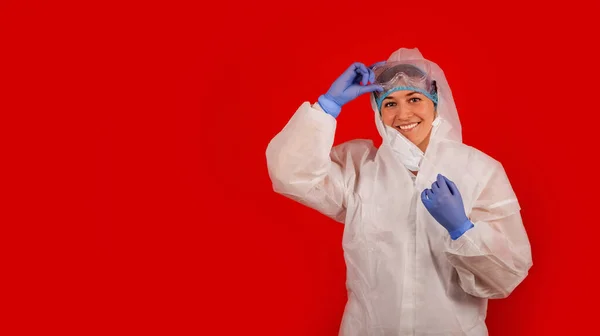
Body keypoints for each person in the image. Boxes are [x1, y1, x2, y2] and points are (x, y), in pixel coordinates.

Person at [265, 48, 532, 336]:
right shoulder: (360, 168)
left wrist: (463, 231)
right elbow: (291, 174)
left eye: (414, 99)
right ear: (378, 110)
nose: (403, 114)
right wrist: (326, 107)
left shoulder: (479, 172)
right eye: (389, 103)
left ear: (435, 103)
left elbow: (507, 275)